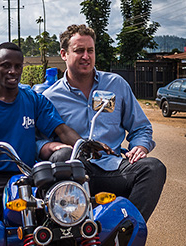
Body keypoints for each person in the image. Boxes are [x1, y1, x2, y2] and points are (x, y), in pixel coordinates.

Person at [41, 24, 166, 222]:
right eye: (79, 50)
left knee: (153, 168)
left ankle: (124, 230)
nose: (86, 56)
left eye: (90, 50)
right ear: (64, 54)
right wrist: (52, 146)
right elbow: (37, 139)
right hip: (74, 170)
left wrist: (140, 147)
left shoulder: (116, 84)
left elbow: (141, 127)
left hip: (114, 167)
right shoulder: (49, 97)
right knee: (62, 156)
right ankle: (69, 234)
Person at [0, 42, 84, 220]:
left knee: (62, 213)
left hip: (27, 174)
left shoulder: (33, 99)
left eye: (18, 66)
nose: (13, 71)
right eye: (6, 65)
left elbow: (61, 130)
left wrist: (84, 145)